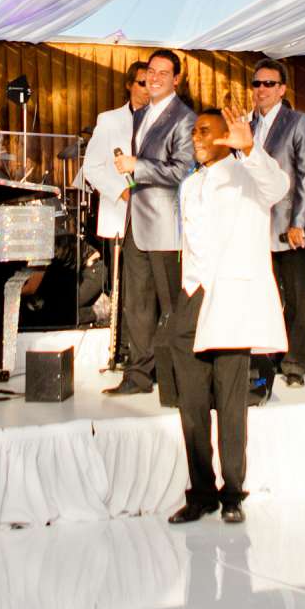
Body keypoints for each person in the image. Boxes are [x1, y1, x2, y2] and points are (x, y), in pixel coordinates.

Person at [166, 108, 288, 524]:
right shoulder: (191, 184)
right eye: (194, 131)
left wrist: (250, 148)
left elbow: (279, 185)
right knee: (192, 403)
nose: (196, 137)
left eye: (205, 130)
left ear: (226, 135)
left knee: (232, 402)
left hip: (231, 300)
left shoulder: (247, 175)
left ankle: (233, 491)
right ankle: (201, 492)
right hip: (192, 297)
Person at [105, 50, 196, 400]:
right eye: (150, 72)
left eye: (163, 72)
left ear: (176, 78)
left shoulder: (184, 118)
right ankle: (138, 374)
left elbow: (181, 171)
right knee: (137, 305)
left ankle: (179, 380)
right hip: (137, 223)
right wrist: (128, 172)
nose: (155, 78)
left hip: (167, 226)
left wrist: (137, 166)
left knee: (172, 306)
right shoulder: (140, 113)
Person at [247, 58, 305, 388]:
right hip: (254, 227)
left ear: (281, 89)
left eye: (268, 84)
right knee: (263, 297)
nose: (261, 89)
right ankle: (265, 358)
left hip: (290, 225)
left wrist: (299, 223)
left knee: (295, 298)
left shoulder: (299, 122)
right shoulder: (246, 126)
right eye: (256, 84)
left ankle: (294, 365)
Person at [81, 63, 148, 353]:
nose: (148, 89)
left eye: (152, 83)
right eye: (142, 82)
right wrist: (120, 190)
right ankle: (121, 346)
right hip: (121, 213)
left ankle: (147, 346)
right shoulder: (109, 120)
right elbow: (91, 166)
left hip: (154, 216)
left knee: (148, 284)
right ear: (129, 85)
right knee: (124, 282)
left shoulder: (163, 119)